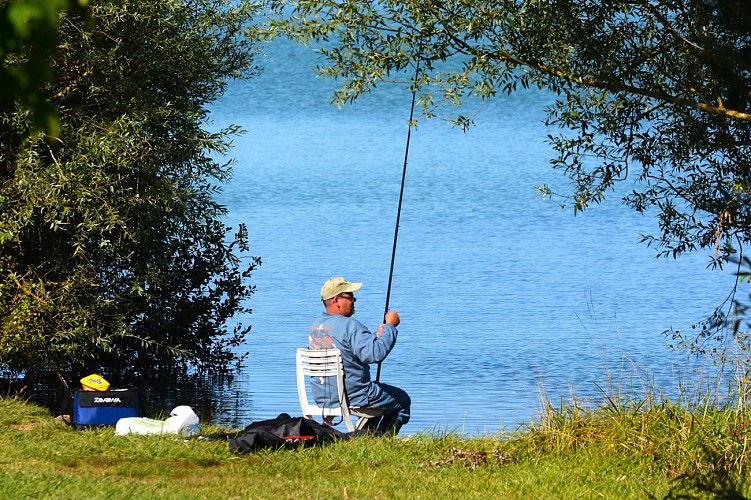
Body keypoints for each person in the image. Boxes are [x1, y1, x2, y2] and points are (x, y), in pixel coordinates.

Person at [308, 276, 411, 435]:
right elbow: (375, 354)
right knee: (403, 400)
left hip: (323, 397)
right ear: (336, 300)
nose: (354, 300)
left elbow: (347, 345)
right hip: (354, 396)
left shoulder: (316, 326)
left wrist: (377, 336)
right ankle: (382, 443)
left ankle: (366, 438)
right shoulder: (351, 325)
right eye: (350, 297)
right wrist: (390, 326)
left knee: (381, 400)